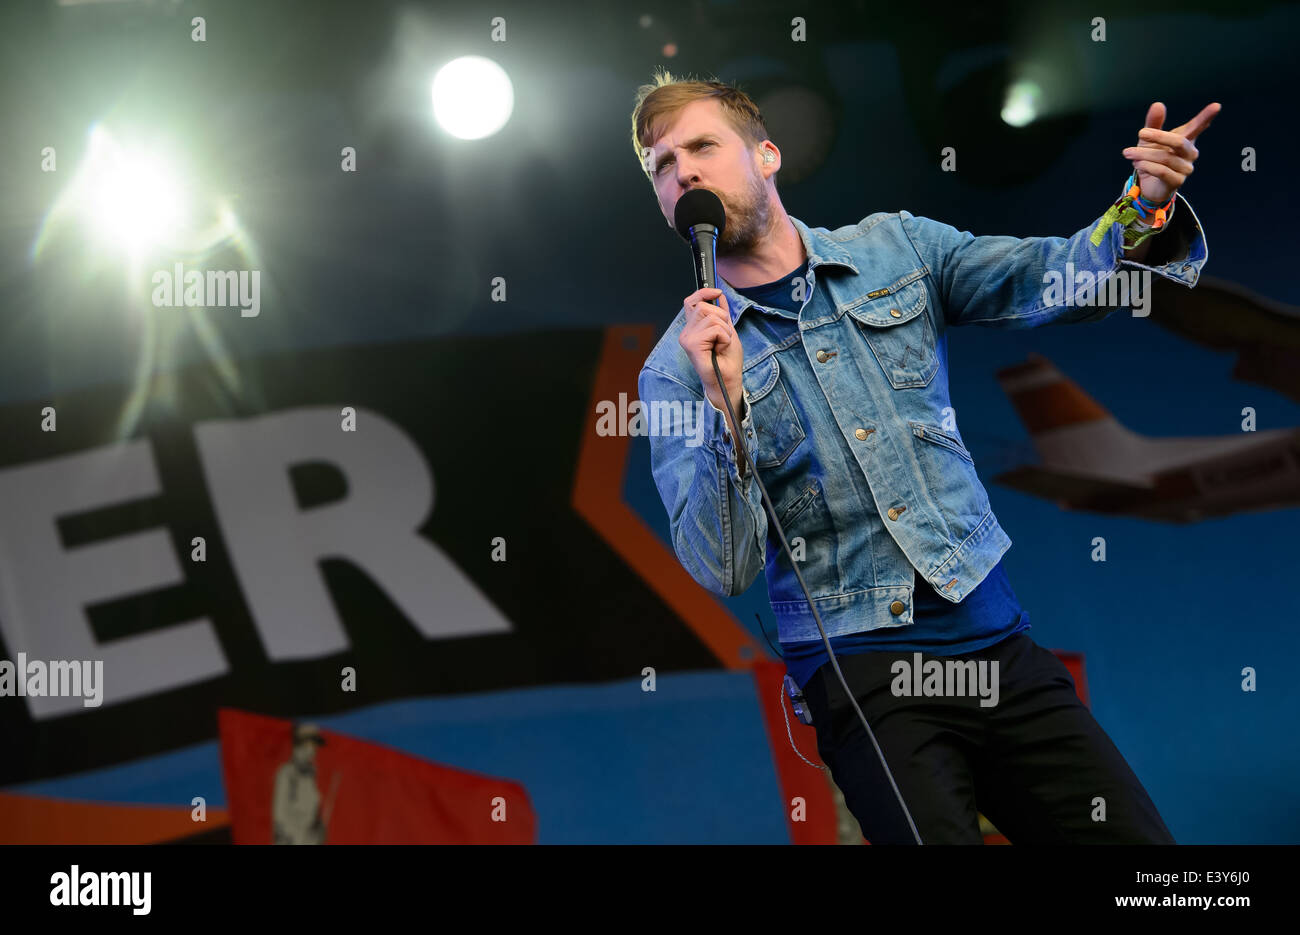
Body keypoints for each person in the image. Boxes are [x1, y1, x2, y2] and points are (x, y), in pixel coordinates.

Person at [632, 69, 1218, 844]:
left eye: (701, 146)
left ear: (766, 154)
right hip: (862, 675)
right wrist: (723, 408)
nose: (684, 173)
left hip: (995, 641)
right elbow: (722, 565)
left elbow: (1049, 279)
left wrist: (1143, 209)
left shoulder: (896, 249)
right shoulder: (676, 368)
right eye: (662, 167)